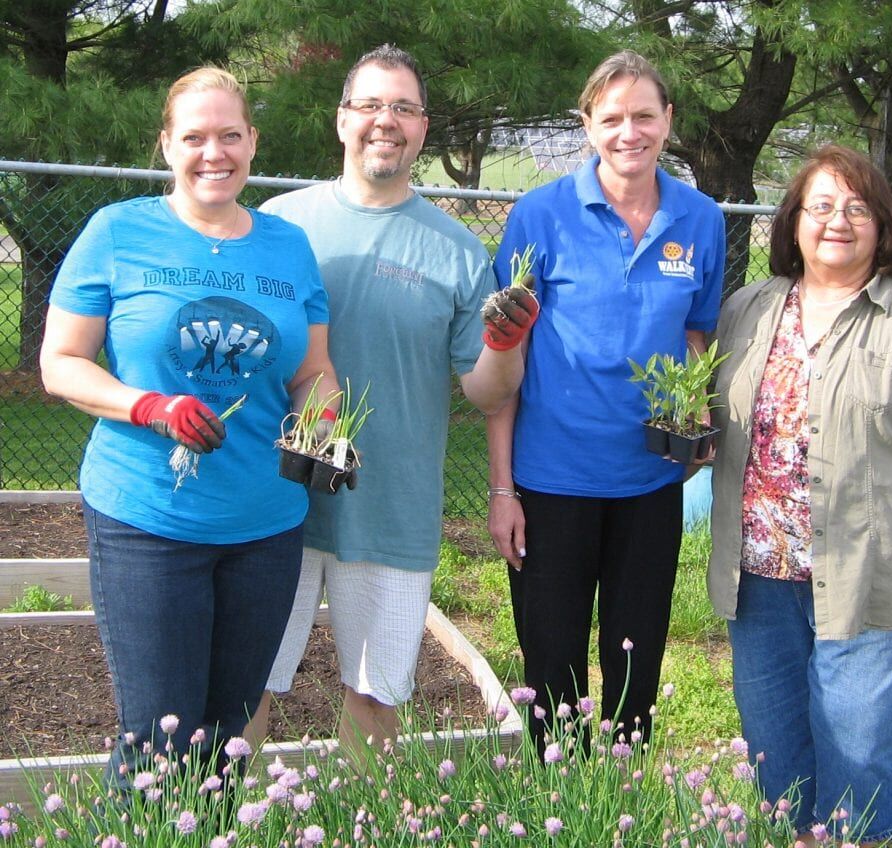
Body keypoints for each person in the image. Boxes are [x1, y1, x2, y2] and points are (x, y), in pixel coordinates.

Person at [39, 67, 339, 789]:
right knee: (157, 736)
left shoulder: (287, 246)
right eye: (196, 137)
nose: (215, 153)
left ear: (252, 142)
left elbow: (312, 372)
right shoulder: (118, 232)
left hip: (265, 525)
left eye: (230, 135)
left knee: (227, 737)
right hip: (149, 517)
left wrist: (328, 429)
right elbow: (61, 362)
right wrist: (152, 407)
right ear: (167, 145)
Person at [250, 44, 531, 753]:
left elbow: (485, 390)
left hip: (392, 505)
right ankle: (224, 824)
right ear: (342, 120)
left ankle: (360, 825)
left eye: (404, 107)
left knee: (375, 696)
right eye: (371, 104)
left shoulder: (459, 251)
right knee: (244, 682)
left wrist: (505, 344)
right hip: (270, 500)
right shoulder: (276, 226)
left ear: (424, 128)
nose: (387, 121)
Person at [708, 144, 892, 845]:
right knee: (776, 766)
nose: (839, 221)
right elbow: (716, 417)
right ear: (794, 222)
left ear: (883, 227)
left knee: (858, 758)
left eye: (858, 208)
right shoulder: (747, 309)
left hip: (871, 580)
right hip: (760, 580)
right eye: (823, 205)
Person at [487, 50, 726, 748]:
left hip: (650, 479)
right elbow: (507, 362)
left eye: (645, 116)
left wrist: (696, 409)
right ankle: (556, 795)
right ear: (587, 125)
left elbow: (694, 334)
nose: (630, 132)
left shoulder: (700, 219)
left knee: (636, 658)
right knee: (551, 659)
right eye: (612, 117)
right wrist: (503, 489)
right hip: (551, 479)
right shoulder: (541, 216)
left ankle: (622, 792)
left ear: (667, 121)